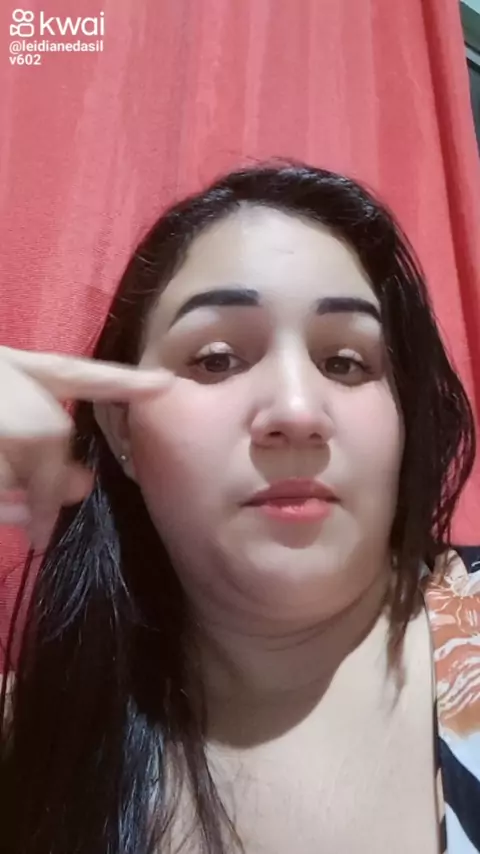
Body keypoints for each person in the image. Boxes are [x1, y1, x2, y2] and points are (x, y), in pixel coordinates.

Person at [0, 161, 478, 854]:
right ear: (121, 428)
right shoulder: (37, 748)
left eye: (345, 362)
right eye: (217, 358)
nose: (296, 411)